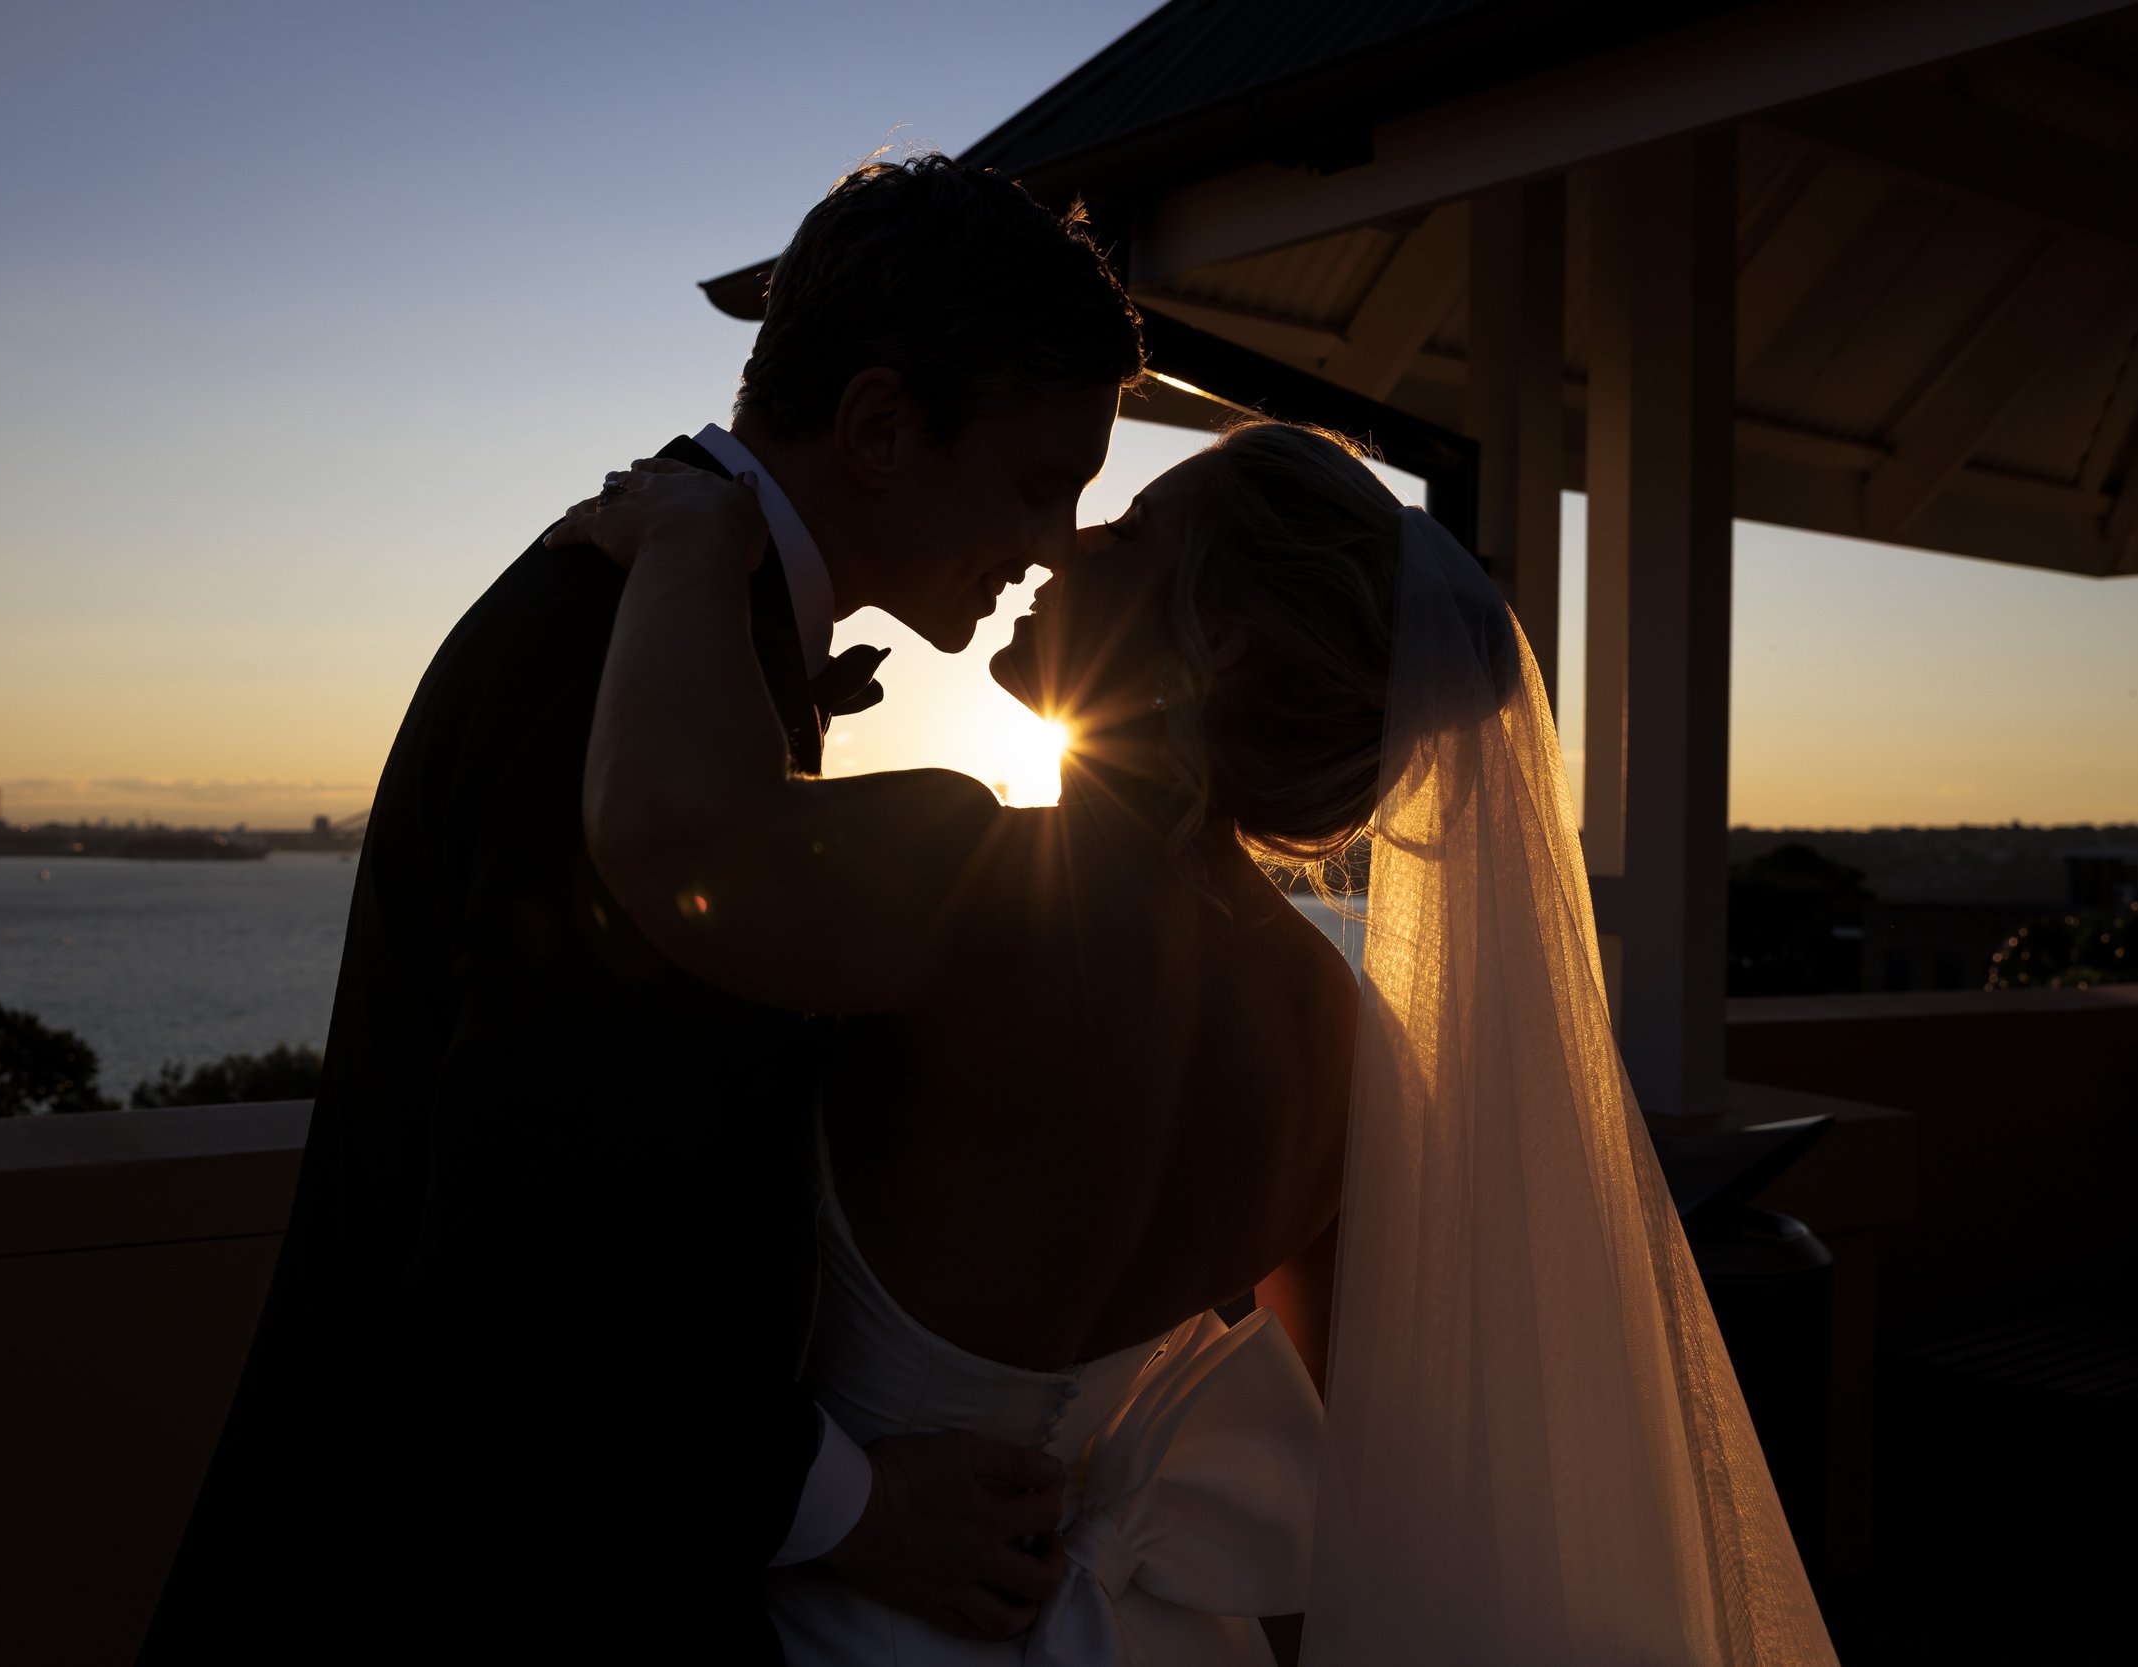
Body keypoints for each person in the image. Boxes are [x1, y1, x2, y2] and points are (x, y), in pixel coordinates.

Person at [562, 420, 1840, 1665]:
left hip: (847, 1607)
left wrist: (690, 542)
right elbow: (1361, 1412)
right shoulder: (1331, 1026)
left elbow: (662, 823)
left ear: (1213, 639)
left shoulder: (972, 877)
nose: (1065, 546)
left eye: (1127, 530)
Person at [137, 155, 1143, 1663]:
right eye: (1037, 483)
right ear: (879, 426)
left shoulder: (665, 620)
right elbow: (534, 1249)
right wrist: (851, 1506)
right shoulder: (611, 658)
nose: (1056, 540)